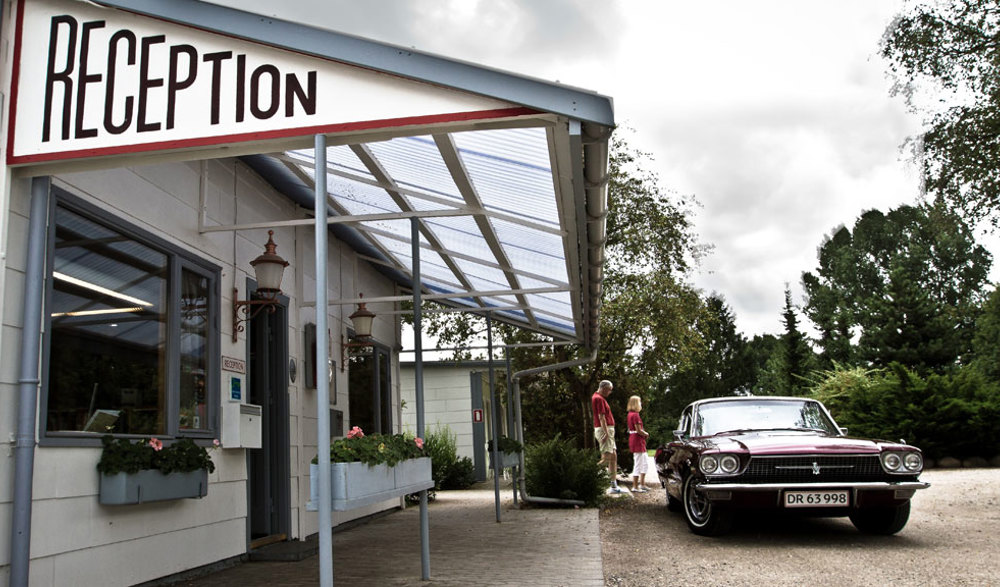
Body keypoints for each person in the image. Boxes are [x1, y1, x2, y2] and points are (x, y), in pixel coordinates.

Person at [592, 380, 622, 493]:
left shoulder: (598, 397)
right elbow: (601, 417)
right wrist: (605, 432)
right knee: (606, 458)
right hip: (605, 430)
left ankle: (613, 486)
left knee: (613, 457)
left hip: (607, 429)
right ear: (604, 388)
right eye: (609, 390)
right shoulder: (598, 399)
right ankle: (587, 474)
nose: (610, 392)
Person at [626, 395, 650, 493]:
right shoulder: (635, 415)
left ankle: (642, 484)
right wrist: (646, 434)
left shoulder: (630, 414)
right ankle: (635, 486)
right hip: (637, 440)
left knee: (645, 463)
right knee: (638, 463)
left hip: (636, 440)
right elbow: (639, 430)